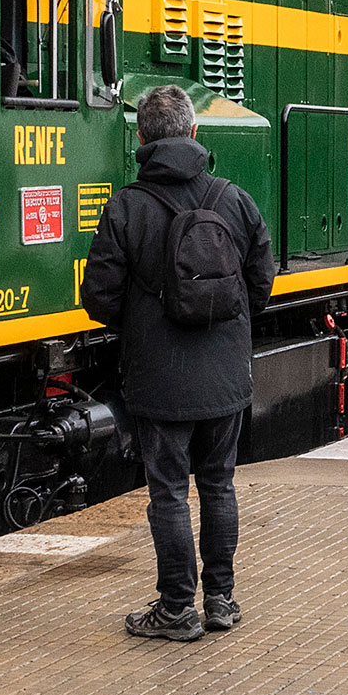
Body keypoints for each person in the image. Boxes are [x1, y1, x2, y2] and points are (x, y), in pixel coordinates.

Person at [82, 83, 275, 640]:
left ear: (141, 138)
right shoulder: (234, 199)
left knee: (167, 490)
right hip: (224, 370)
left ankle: (175, 609)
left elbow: (100, 298)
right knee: (218, 483)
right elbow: (260, 284)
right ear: (195, 133)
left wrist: (145, 323)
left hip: (157, 373)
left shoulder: (125, 206)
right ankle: (220, 601)